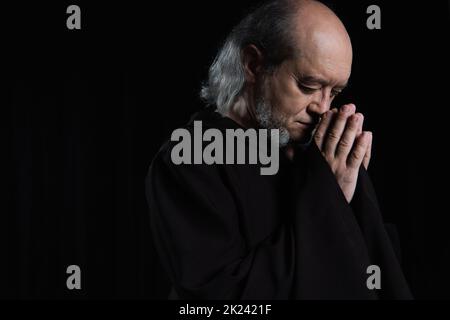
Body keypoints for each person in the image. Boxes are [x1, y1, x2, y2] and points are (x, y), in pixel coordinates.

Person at [145, 0, 413, 299]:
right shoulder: (190, 160)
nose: (322, 108)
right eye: (309, 86)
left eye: (334, 92)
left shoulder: (320, 153)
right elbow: (219, 299)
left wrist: (355, 201)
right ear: (253, 64)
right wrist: (328, 197)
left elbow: (377, 275)